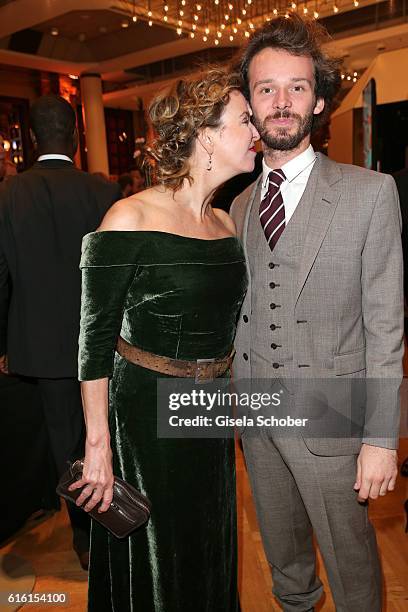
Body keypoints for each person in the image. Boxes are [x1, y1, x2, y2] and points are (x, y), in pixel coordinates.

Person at [68, 68, 258, 611]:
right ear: (204, 135)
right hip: (144, 414)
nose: (255, 131)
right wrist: (98, 446)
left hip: (211, 409)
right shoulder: (129, 217)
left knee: (208, 541)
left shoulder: (225, 221)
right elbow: (93, 340)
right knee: (157, 553)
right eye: (244, 120)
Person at [230, 15, 403, 612]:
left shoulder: (370, 193)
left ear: (319, 99)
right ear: (249, 105)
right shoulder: (237, 205)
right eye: (266, 88)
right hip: (254, 419)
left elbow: (386, 327)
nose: (282, 102)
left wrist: (381, 439)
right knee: (286, 566)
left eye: (296, 87)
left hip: (333, 420)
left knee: (353, 572)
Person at [0, 95, 120, 569]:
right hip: (104, 343)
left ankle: (85, 536)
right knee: (105, 431)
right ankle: (115, 522)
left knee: (65, 441)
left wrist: (3, 344)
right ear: (75, 137)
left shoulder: (8, 193)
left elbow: (0, 276)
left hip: (41, 347)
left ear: (32, 138)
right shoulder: (103, 191)